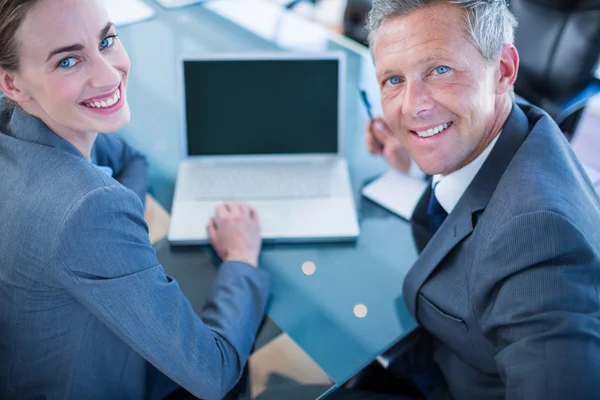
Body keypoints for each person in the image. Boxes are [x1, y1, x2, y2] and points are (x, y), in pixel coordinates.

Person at [0, 1, 270, 399]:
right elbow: (213, 373)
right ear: (12, 84)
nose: (110, 75)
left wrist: (118, 239)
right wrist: (242, 257)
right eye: (68, 62)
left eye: (106, 40)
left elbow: (129, 158)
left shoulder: (18, 124)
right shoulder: (86, 209)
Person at [359, 0, 600, 398]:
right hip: (436, 357)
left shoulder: (539, 238)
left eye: (440, 70)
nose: (412, 106)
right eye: (393, 80)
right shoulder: (514, 126)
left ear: (503, 70)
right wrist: (421, 157)